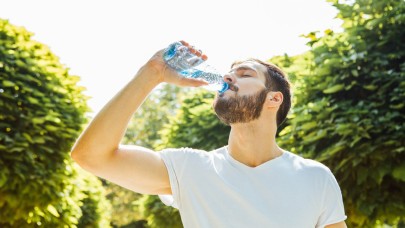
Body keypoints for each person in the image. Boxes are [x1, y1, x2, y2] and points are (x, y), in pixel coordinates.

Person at [71, 41, 348, 228]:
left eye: (244, 74)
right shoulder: (189, 169)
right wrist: (151, 73)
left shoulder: (315, 177)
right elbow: (91, 156)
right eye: (229, 74)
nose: (228, 78)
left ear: (273, 99)